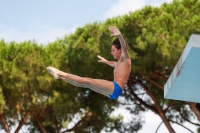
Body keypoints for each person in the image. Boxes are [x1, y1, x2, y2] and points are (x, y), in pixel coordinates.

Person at [47, 26, 131, 99]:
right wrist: (106, 61)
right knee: (87, 84)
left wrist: (119, 36)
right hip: (114, 92)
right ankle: (60, 76)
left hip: (116, 88)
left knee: (88, 81)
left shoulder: (126, 59)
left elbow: (124, 48)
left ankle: (60, 73)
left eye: (113, 50)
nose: (111, 53)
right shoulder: (119, 63)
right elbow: (113, 64)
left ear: (120, 50)